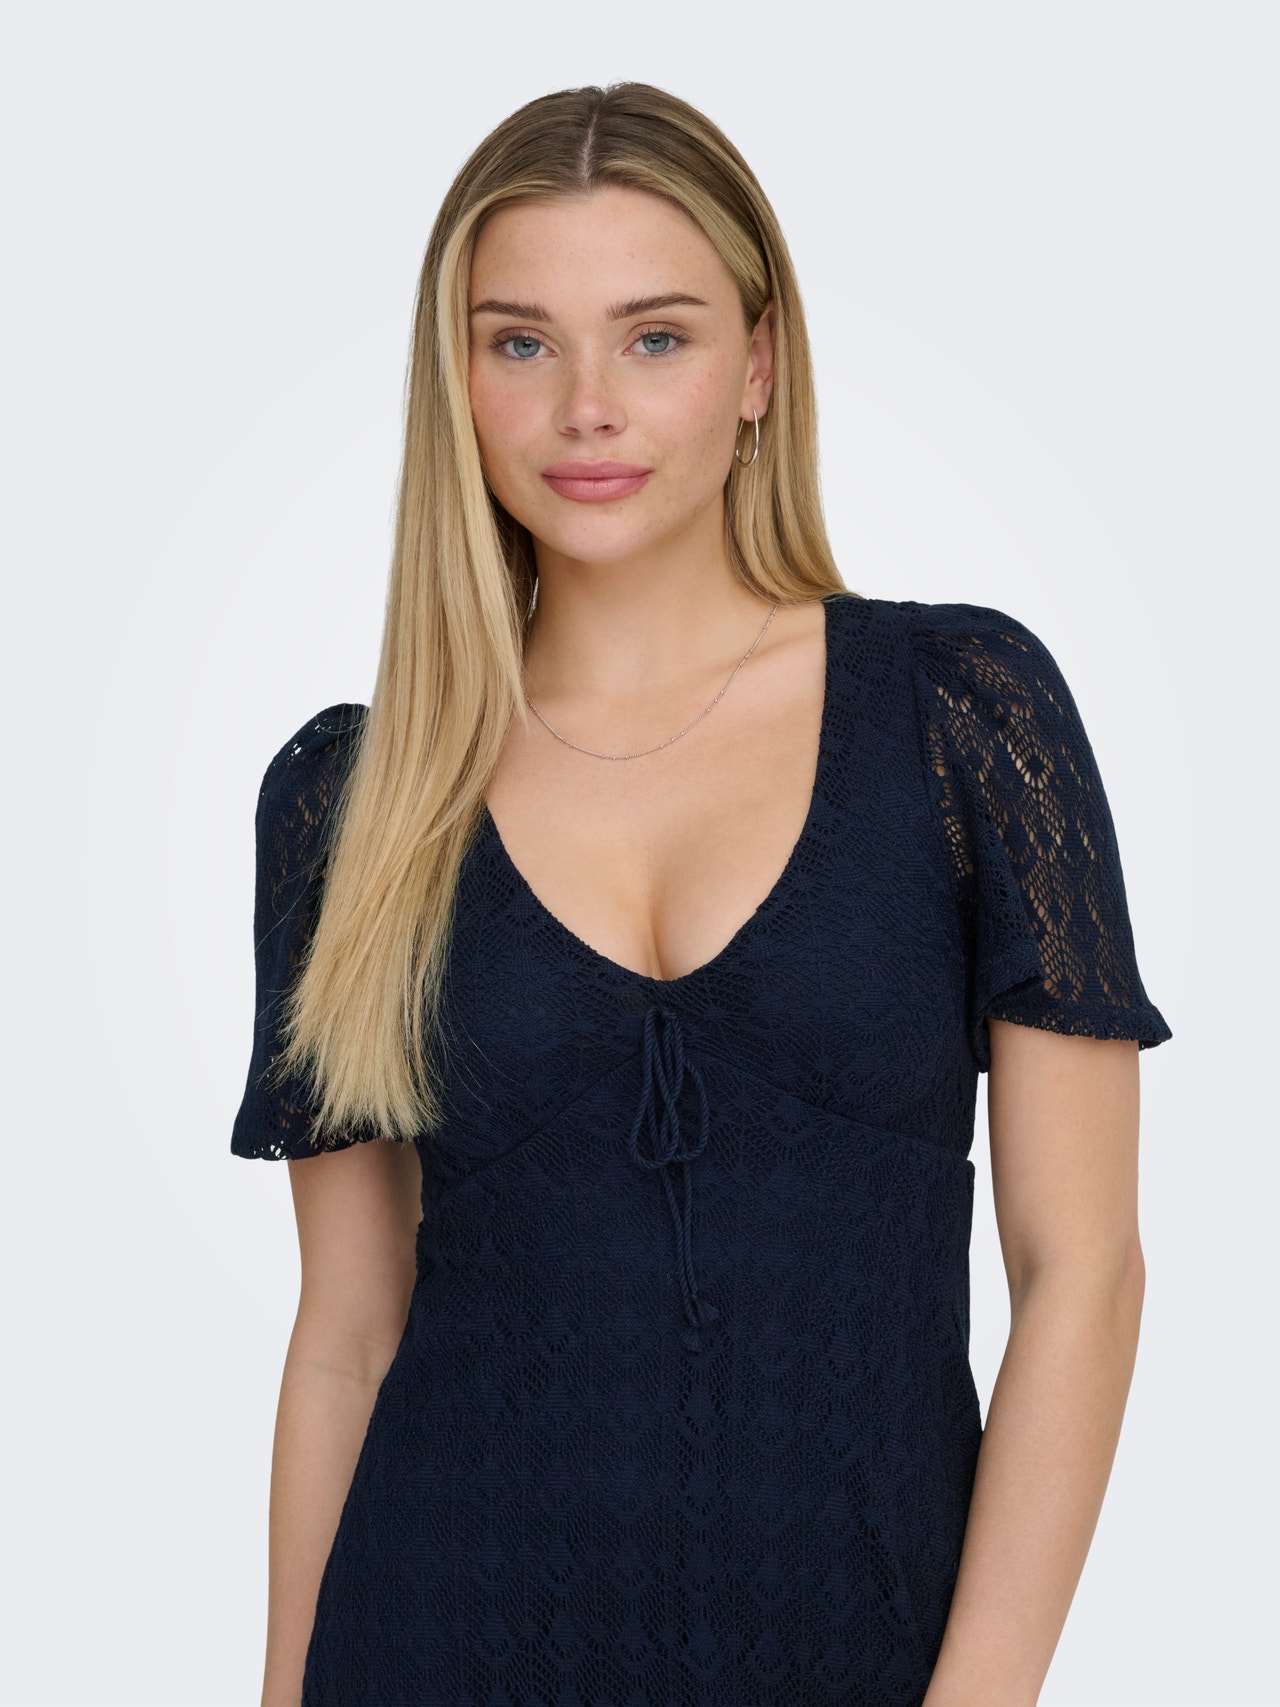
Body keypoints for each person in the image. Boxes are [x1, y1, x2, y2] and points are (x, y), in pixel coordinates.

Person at [230, 81, 1172, 1707]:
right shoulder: (351, 799)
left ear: (759, 365)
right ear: (455, 381)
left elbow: (1081, 1270)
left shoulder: (960, 713)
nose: (586, 406)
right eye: (520, 343)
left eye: (654, 337)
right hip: (431, 1647)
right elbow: (346, 1338)